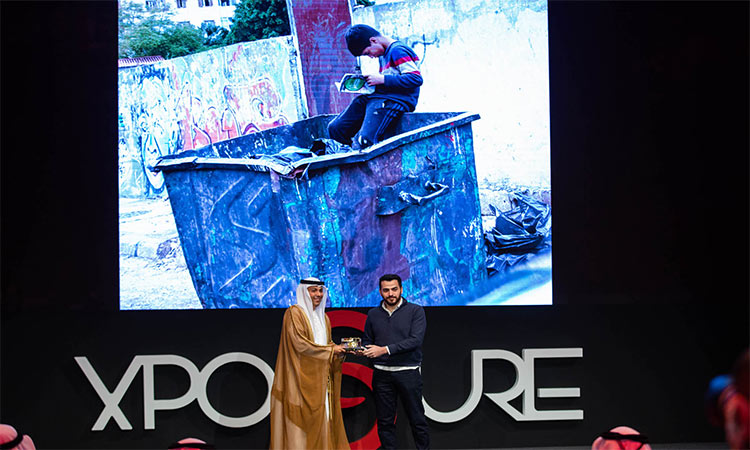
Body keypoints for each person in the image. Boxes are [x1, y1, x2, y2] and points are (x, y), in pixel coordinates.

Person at [269, 278, 349, 450]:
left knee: (324, 421)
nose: (318, 295)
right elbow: (299, 344)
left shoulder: (324, 319)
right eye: (313, 291)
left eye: (320, 291)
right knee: (299, 428)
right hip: (298, 382)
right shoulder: (294, 313)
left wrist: (340, 352)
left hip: (320, 383)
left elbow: (326, 346)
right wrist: (330, 351)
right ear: (304, 292)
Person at [327, 24, 423, 150]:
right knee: (335, 128)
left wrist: (382, 79)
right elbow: (390, 81)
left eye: (368, 53)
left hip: (397, 100)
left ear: (373, 41)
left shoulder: (397, 50)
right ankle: (344, 163)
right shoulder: (383, 55)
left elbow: (415, 78)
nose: (371, 57)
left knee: (366, 139)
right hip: (381, 97)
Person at [361, 273, 429, 449]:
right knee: (385, 422)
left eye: (394, 289)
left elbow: (415, 340)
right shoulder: (373, 314)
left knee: (417, 419)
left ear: (401, 289)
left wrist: (384, 350)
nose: (390, 293)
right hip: (382, 375)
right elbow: (368, 340)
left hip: (408, 372)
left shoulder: (415, 311)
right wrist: (363, 350)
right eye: (386, 290)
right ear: (380, 292)